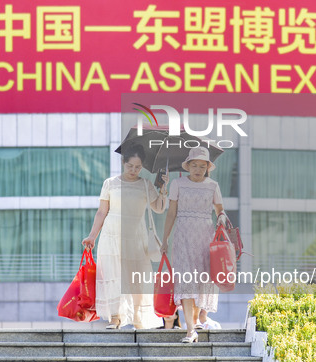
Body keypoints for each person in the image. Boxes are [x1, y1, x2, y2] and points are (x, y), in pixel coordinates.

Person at [82, 144, 168, 329]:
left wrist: (163, 188)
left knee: (136, 278)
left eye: (138, 167)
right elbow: (101, 212)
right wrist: (92, 236)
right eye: (130, 166)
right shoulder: (110, 183)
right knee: (113, 275)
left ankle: (137, 314)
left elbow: (159, 208)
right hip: (111, 236)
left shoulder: (145, 184)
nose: (134, 170)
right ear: (123, 162)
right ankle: (115, 317)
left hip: (136, 237)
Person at [160, 147, 226, 343]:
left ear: (207, 167)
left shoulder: (213, 186)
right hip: (183, 236)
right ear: (187, 166)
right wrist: (165, 239)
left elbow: (220, 209)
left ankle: (196, 320)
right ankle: (190, 330)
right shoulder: (177, 184)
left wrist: (221, 217)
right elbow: (171, 213)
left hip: (206, 237)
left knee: (201, 282)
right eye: (194, 165)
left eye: (202, 166)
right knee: (186, 281)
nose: (198, 169)